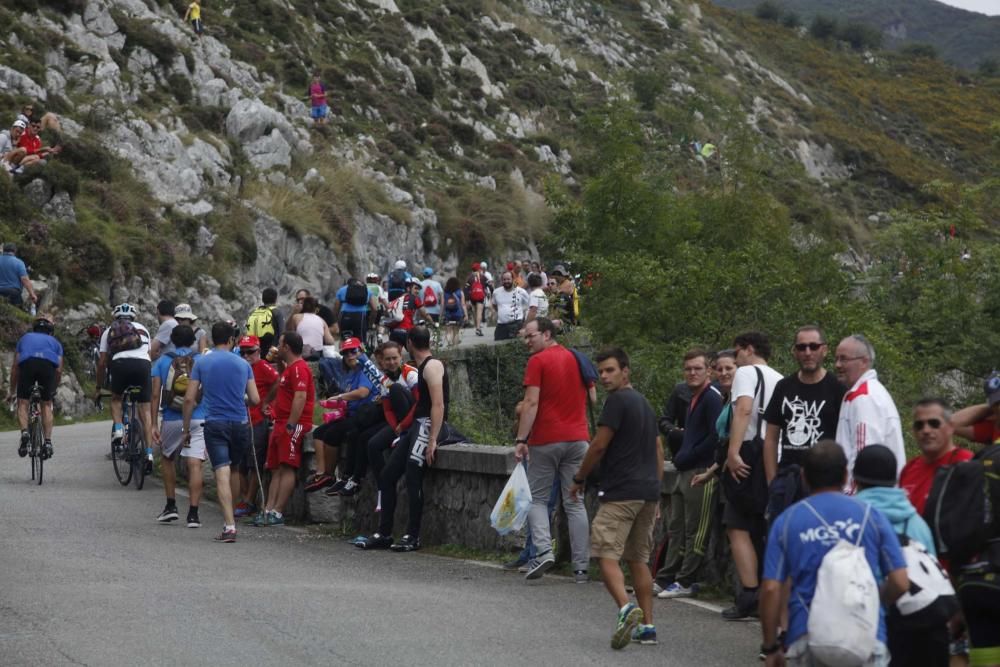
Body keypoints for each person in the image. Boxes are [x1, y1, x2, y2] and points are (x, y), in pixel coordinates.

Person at [759, 441, 909, 667]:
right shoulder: (872, 516)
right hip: (867, 637)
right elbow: (900, 582)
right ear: (845, 475)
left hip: (808, 636)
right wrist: (876, 602)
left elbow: (771, 589)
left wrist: (771, 648)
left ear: (804, 476)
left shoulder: (787, 521)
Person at [568, 347, 662, 648]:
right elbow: (659, 450)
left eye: (610, 370)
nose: (605, 376)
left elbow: (597, 445)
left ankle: (625, 607)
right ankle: (648, 626)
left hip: (621, 491)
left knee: (605, 552)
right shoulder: (645, 404)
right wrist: (656, 489)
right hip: (647, 493)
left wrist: (579, 478)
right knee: (638, 559)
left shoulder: (617, 401)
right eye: (602, 371)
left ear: (626, 370)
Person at [356, 326, 460, 551]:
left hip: (426, 425)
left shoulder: (431, 366)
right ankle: (384, 533)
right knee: (387, 475)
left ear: (410, 344)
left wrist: (432, 439)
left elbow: (438, 404)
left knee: (413, 475)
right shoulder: (422, 367)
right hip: (417, 426)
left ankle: (413, 535)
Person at [853, 445, 947, 667]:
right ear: (895, 479)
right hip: (918, 624)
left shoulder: (852, 516)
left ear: (855, 479)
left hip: (867, 624)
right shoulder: (916, 522)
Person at [512, 317, 590, 580]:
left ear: (546, 334)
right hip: (579, 438)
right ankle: (581, 567)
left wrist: (521, 439)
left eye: (531, 336)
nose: (527, 341)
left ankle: (544, 551)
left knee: (537, 499)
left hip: (547, 438)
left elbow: (531, 403)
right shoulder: (576, 357)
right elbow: (592, 395)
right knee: (575, 503)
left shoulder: (538, 361)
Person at [723, 331, 784, 620]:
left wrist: (733, 452)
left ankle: (749, 594)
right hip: (776, 454)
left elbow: (744, 409)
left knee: (736, 524)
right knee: (764, 526)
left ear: (748, 350)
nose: (735, 360)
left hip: (750, 451)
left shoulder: (746, 372)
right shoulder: (781, 378)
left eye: (736, 353)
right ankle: (770, 593)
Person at [182, 321, 260, 543]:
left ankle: (230, 526)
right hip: (240, 423)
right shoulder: (243, 364)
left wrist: (186, 428)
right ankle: (232, 517)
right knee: (235, 469)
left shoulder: (202, 363)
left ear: (214, 339)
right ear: (232, 340)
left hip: (215, 423)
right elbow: (255, 399)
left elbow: (189, 398)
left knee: (221, 472)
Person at [655, 348, 723, 599]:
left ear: (708, 370)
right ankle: (665, 576)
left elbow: (715, 437)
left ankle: (686, 580)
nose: (692, 373)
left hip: (702, 470)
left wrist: (689, 454)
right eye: (688, 369)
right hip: (684, 470)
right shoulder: (692, 396)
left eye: (698, 368)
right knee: (676, 527)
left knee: (696, 529)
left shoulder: (712, 397)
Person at [763, 326, 845, 521]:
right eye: (801, 347)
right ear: (794, 352)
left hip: (824, 483)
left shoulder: (837, 388)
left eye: (813, 346)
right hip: (787, 481)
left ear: (824, 350)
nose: (807, 352)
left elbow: (845, 439)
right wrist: (772, 481)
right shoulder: (784, 387)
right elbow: (771, 438)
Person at [253, 331, 314, 526]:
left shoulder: (299, 369)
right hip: (280, 422)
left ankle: (278, 512)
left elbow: (300, 396)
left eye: (280, 344)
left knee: (287, 466)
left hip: (292, 423)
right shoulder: (290, 368)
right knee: (275, 467)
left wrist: (291, 424)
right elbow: (280, 384)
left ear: (287, 347)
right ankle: (268, 509)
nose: (277, 347)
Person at [151, 324, 206, 528]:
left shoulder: (162, 361)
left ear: (172, 340)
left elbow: (156, 394)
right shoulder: (201, 360)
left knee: (167, 458)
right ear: (193, 340)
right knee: (195, 463)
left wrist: (153, 424)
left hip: (172, 418)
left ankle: (171, 506)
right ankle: (193, 514)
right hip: (198, 416)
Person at [834, 334, 905, 492]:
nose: (838, 364)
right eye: (837, 358)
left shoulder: (864, 398)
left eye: (844, 359)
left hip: (868, 498)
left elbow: (864, 453)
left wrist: (851, 497)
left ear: (864, 362)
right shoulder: (863, 393)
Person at [306, 337, 376, 494]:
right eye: (346, 353)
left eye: (354, 351)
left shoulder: (366, 369)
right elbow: (349, 395)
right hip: (350, 413)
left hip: (363, 417)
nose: (350, 355)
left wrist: (339, 397)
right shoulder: (351, 373)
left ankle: (330, 475)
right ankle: (321, 473)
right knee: (318, 432)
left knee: (332, 434)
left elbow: (362, 392)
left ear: (361, 352)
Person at [95, 303, 154, 460]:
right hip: (143, 365)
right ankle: (149, 453)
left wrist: (99, 387)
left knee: (116, 399)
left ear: (116, 316)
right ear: (133, 317)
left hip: (120, 365)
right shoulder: (143, 329)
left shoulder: (109, 331)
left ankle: (119, 429)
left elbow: (101, 363)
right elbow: (149, 355)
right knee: (145, 410)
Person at [899, 398, 973, 515]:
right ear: (913, 430)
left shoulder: (968, 464)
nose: (926, 430)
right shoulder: (909, 469)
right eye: (919, 425)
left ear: (951, 427)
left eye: (934, 423)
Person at [234, 335, 279, 519]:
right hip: (240, 418)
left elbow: (278, 382)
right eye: (243, 352)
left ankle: (249, 500)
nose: (246, 355)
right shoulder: (239, 366)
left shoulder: (263, 367)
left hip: (257, 419)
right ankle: (245, 498)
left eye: (250, 352)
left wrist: (267, 402)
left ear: (258, 351)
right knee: (240, 463)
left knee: (254, 463)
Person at [8, 315, 62, 459]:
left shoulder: (24, 338)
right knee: (46, 404)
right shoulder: (55, 343)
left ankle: (25, 432)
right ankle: (48, 442)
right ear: (50, 331)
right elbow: (59, 370)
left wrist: (12, 391)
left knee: (23, 403)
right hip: (47, 367)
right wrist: (52, 390)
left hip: (28, 364)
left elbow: (15, 367)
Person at [286, 295, 335, 359]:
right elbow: (330, 341)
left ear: (303, 307)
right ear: (316, 309)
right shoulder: (321, 320)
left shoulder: (296, 317)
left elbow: (291, 335)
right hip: (317, 354)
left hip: (301, 352)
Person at [386, 278, 429, 347]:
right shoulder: (415, 298)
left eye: (418, 289)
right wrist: (433, 323)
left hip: (394, 332)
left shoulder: (398, 299)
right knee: (416, 354)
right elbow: (424, 314)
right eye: (416, 288)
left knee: (396, 354)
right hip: (407, 331)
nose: (417, 291)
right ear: (408, 288)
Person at [491, 271, 530, 341]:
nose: (506, 281)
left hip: (517, 324)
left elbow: (530, 305)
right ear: (502, 280)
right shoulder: (496, 292)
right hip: (501, 325)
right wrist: (502, 312)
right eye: (504, 279)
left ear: (513, 279)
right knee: (498, 345)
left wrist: (525, 323)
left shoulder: (521, 292)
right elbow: (494, 304)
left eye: (508, 279)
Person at [245, 287, 283, 353]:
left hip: (254, 351)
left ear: (262, 299)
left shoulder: (255, 312)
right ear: (276, 299)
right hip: (270, 352)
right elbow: (281, 332)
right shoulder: (277, 312)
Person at [0, 242, 37, 307]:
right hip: (12, 292)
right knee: (18, 310)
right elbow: (24, 279)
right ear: (15, 251)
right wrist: (32, 294)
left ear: (3, 250)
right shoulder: (19, 263)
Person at [441, 277, 465, 347]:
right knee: (456, 332)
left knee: (448, 331)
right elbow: (463, 304)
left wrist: (441, 315)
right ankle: (455, 347)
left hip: (448, 315)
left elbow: (442, 304)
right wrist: (465, 314)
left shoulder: (444, 293)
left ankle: (449, 343)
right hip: (458, 314)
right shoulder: (460, 292)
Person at [466, 262, 487, 336]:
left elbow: (466, 289)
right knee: (479, 312)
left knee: (475, 312)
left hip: (472, 297)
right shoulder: (482, 276)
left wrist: (467, 300)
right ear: (479, 269)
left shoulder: (470, 277)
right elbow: (489, 285)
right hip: (480, 296)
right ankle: (478, 328)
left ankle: (476, 327)